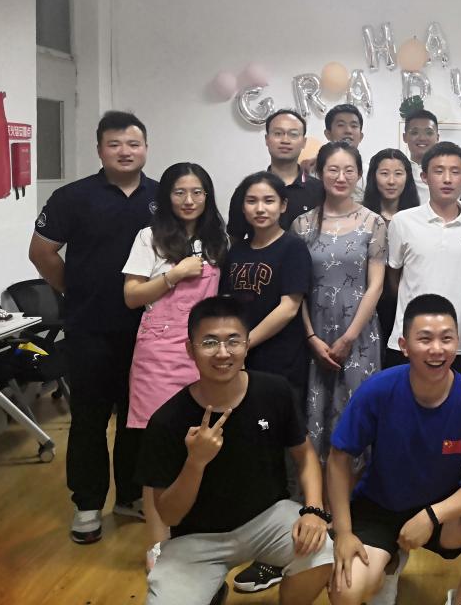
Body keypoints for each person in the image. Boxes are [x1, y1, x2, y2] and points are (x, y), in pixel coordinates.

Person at [137, 296, 334, 605]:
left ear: (247, 345)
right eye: (209, 342)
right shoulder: (167, 420)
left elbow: (305, 455)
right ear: (190, 349)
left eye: (233, 341)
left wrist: (313, 509)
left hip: (267, 519)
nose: (222, 352)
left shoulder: (274, 391)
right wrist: (196, 462)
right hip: (197, 540)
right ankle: (212, 589)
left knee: (322, 553)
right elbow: (170, 513)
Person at [326, 294, 461, 605]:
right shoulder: (378, 390)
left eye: (446, 339)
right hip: (378, 507)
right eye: (425, 339)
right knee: (345, 592)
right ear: (404, 345)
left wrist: (431, 516)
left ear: (458, 343)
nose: (437, 349)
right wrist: (343, 532)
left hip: (440, 510)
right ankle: (389, 563)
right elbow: (339, 457)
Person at [28, 110, 158, 544]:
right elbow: (42, 253)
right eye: (114, 144)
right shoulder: (72, 197)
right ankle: (86, 504)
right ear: (99, 149)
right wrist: (74, 289)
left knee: (138, 417)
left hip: (148, 330)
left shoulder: (162, 196)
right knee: (89, 418)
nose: (125, 151)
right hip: (90, 328)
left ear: (146, 148)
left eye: (133, 144)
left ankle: (130, 495)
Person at [122, 162, 228, 567]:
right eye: (180, 192)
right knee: (158, 450)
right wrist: (175, 274)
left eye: (197, 192)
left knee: (203, 441)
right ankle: (158, 542)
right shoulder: (149, 237)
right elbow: (132, 296)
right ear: (166, 196)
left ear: (207, 196)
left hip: (207, 351)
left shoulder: (218, 239)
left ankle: (198, 535)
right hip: (160, 354)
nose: (189, 200)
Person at [222, 171, 315, 592]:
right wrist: (232, 349)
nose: (260, 208)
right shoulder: (236, 251)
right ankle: (257, 539)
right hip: (240, 365)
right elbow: (228, 304)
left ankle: (287, 552)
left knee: (286, 452)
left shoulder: (293, 248)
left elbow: (289, 306)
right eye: (252, 201)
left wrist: (242, 344)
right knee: (251, 450)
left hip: (280, 365)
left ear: (283, 206)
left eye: (268, 201)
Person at [293, 143, 387, 469]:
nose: (341, 177)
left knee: (357, 413)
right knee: (315, 415)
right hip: (315, 334)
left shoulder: (373, 222)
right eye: (333, 169)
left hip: (360, 335)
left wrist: (349, 337)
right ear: (320, 173)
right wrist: (310, 338)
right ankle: (317, 492)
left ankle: (356, 493)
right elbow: (296, 290)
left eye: (349, 170)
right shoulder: (302, 225)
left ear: (359, 174)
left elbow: (376, 285)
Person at [386, 142, 461, 371]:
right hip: (409, 339)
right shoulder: (403, 221)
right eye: (439, 171)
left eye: (455, 172)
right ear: (424, 177)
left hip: (458, 341)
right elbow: (393, 277)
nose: (447, 179)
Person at [362, 148, 421, 366]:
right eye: (384, 173)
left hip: (407, 304)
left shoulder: (419, 218)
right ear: (373, 176)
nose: (391, 181)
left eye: (398, 173)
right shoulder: (362, 217)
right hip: (368, 304)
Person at [228, 109, 323, 241]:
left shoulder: (320, 190)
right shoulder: (247, 190)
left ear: (304, 142)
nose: (285, 140)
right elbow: (235, 240)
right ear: (267, 139)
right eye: (278, 133)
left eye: (293, 134)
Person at [324, 103, 366, 201]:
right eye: (341, 125)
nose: (348, 131)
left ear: (360, 136)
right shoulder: (315, 170)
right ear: (328, 134)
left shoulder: (369, 172)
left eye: (354, 126)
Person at [402, 108, 440, 205]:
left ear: (437, 137)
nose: (422, 138)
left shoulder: (449, 172)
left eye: (429, 133)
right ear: (404, 137)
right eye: (415, 132)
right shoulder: (398, 171)